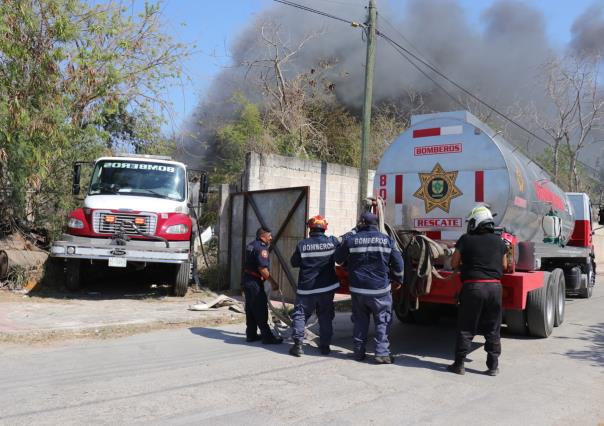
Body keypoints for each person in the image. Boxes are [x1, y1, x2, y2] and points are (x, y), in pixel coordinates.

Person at [335, 212, 404, 364]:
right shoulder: (387, 240)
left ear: (361, 223)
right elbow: (398, 263)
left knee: (360, 321)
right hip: (380, 290)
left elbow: (338, 259)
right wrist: (398, 279)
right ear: (376, 224)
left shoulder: (351, 240)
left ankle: (358, 353)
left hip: (358, 290)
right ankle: (382, 353)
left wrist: (349, 264)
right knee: (382, 321)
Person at [448, 205, 508, 376]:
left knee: (466, 326)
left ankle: (459, 364)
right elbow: (504, 265)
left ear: (477, 222)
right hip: (495, 288)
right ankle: (493, 366)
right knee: (493, 328)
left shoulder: (465, 239)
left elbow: (453, 263)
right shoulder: (500, 241)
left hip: (473, 287)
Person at [289, 215, 340, 357]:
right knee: (325, 316)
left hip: (307, 289)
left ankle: (298, 345)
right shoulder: (332, 242)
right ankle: (325, 346)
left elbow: (294, 262)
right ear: (324, 228)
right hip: (327, 289)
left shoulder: (302, 245)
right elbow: (344, 243)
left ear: (310, 228)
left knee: (300, 315)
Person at [242, 226, 283, 345]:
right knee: (260, 309)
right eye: (269, 235)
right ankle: (268, 337)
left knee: (250, 308)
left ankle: (251, 334)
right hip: (254, 282)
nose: (271, 238)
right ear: (262, 236)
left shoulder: (251, 244)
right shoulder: (261, 249)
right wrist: (273, 282)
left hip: (247, 280)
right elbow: (262, 269)